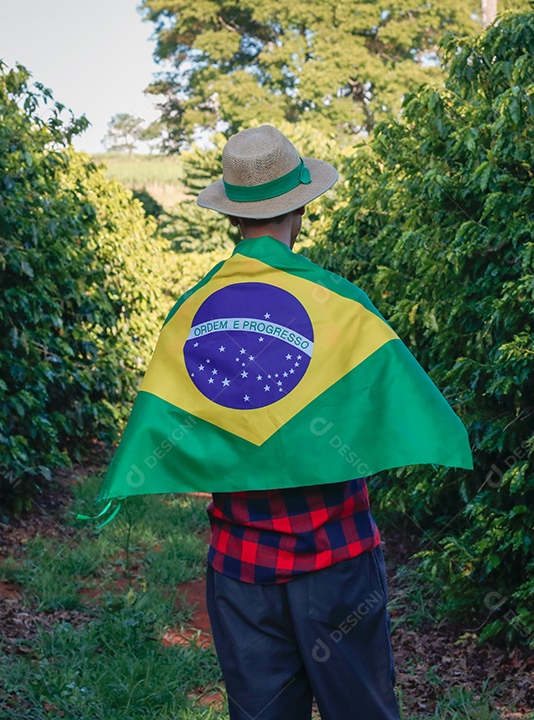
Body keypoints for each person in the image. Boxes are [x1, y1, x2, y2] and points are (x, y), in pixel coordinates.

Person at [194, 125, 402, 720]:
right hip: (337, 560)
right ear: (302, 210)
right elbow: (385, 411)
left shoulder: (194, 313)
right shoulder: (341, 306)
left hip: (241, 569)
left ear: (232, 216)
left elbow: (189, 427)